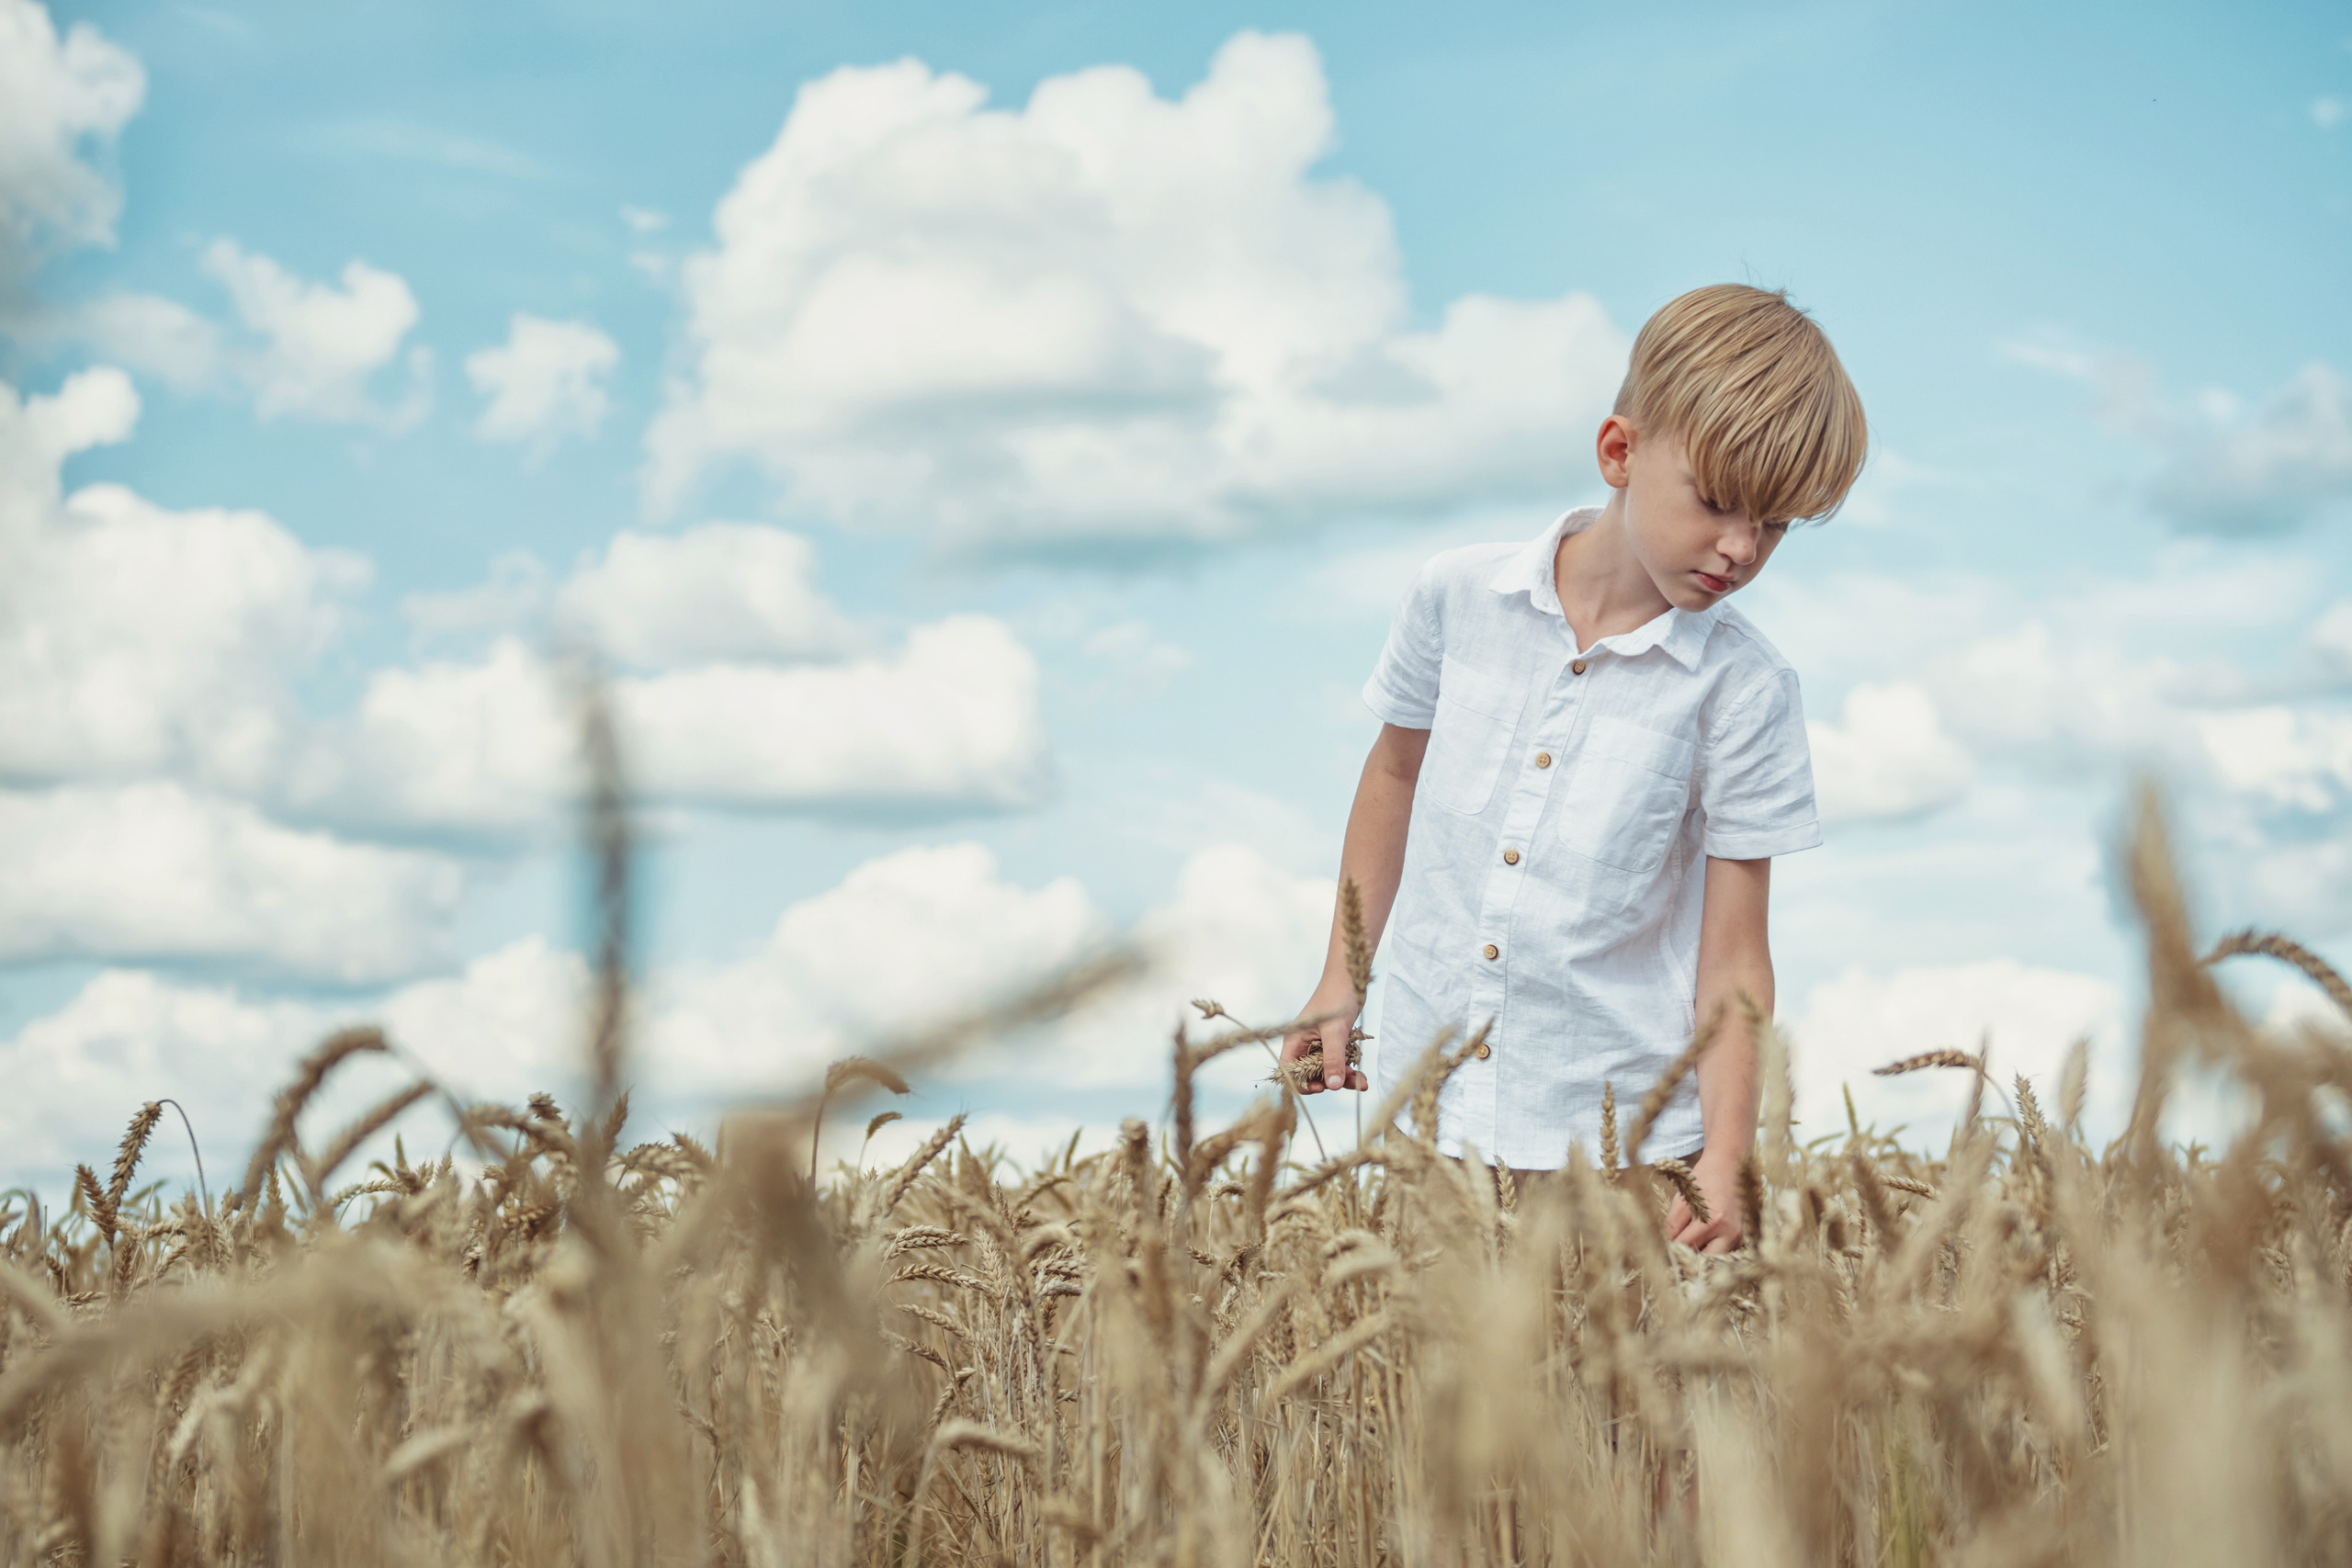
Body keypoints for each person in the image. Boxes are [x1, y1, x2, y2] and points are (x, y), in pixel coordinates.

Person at [1279, 284, 1866, 1253]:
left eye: (1775, 526)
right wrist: (1342, 978)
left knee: (1606, 1357)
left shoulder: (1747, 690)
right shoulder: (1455, 596)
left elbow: (1734, 957)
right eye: (1718, 503)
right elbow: (1394, 780)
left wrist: (1725, 1154)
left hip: (1623, 1144)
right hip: (1426, 1109)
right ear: (1619, 453)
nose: (1740, 548)